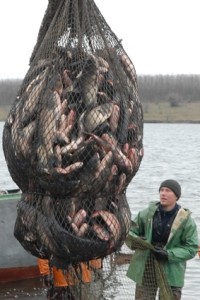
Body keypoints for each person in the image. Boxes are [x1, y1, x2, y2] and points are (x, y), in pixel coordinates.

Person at [126, 179, 199, 300]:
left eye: (168, 190)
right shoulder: (146, 214)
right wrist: (138, 240)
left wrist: (168, 254)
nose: (163, 193)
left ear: (176, 196)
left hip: (172, 271)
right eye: (161, 190)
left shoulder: (186, 221)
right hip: (146, 266)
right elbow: (128, 231)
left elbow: (191, 248)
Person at [38, 257, 103, 299]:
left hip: (62, 280)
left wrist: (46, 273)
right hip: (82, 278)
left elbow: (43, 251)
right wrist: (97, 267)